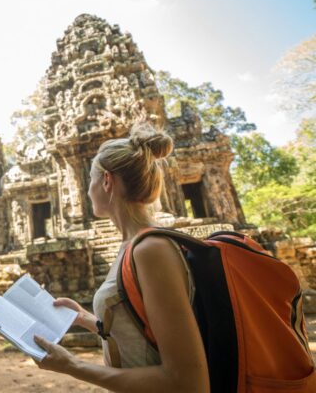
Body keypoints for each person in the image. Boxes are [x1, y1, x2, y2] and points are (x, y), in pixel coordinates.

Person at [33, 122, 210, 392]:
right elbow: (140, 334)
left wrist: (74, 366)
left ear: (106, 181)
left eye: (90, 180)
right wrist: (84, 318)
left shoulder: (151, 250)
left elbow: (187, 382)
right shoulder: (132, 246)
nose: (87, 189)